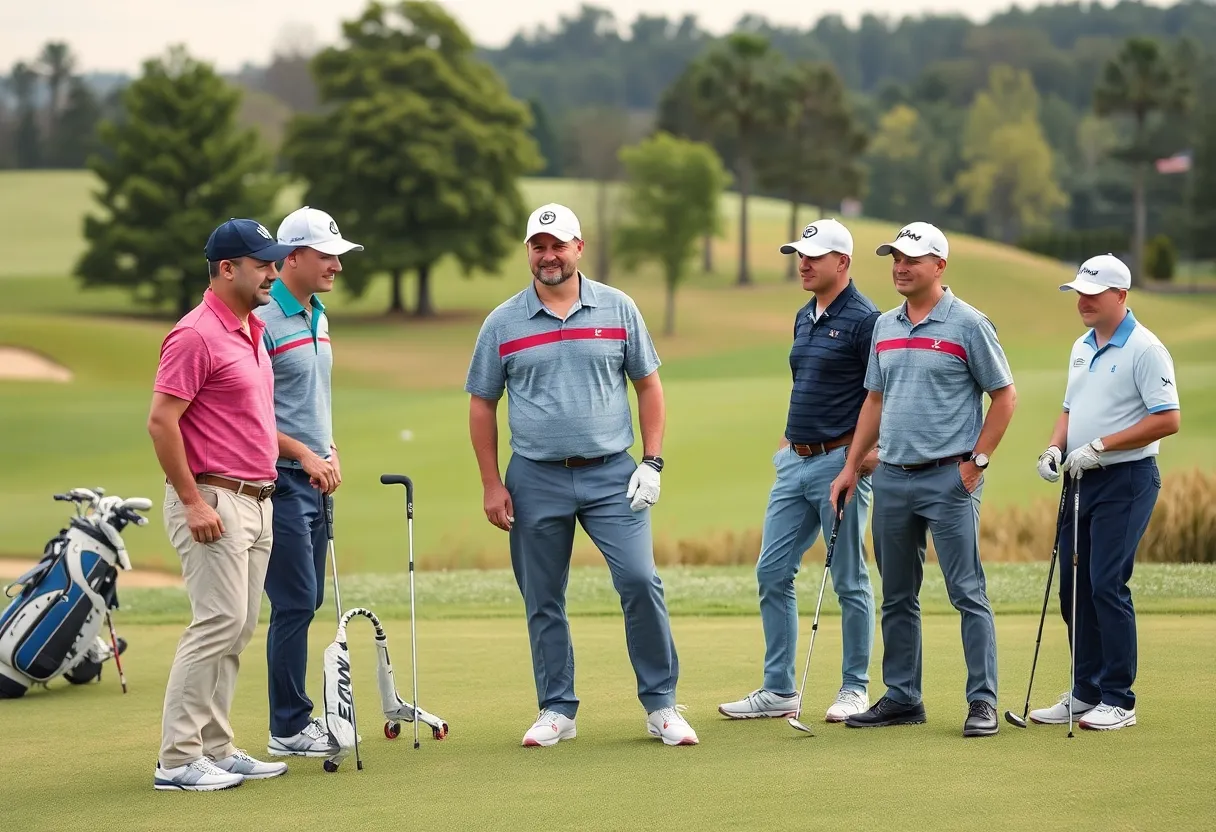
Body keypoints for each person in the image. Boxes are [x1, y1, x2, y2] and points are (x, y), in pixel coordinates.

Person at [464, 202, 697, 748]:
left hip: (613, 474)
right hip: (534, 477)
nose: (549, 255)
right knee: (543, 595)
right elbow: (482, 404)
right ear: (529, 251)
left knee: (640, 581)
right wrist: (492, 483)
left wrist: (653, 459)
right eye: (538, 246)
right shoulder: (502, 322)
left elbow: (649, 385)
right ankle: (557, 710)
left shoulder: (618, 308)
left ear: (578, 248)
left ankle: (661, 704)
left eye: (558, 245)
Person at [829, 221, 1018, 738]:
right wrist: (851, 465)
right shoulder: (885, 326)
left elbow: (1004, 397)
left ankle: (982, 702)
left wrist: (976, 463)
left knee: (966, 592)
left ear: (939, 265)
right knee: (897, 595)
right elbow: (874, 400)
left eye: (911, 259)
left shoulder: (969, 324)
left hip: (949, 479)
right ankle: (903, 697)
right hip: (891, 477)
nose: (900, 266)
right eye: (895, 258)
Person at [148, 218, 296, 790]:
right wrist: (192, 501)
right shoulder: (195, 334)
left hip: (257, 499)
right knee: (217, 623)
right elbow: (162, 422)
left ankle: (215, 746)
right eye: (263, 264)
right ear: (227, 268)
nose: (273, 272)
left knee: (238, 628)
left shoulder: (252, 329)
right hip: (213, 498)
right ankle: (178, 761)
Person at [718, 219, 881, 724]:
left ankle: (855, 687)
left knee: (849, 578)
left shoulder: (866, 320)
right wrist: (789, 443)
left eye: (814, 255)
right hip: (796, 463)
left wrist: (860, 459)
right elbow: (805, 382)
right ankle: (778, 689)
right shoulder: (803, 315)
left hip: (842, 464)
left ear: (843, 262)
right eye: (799, 254)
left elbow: (884, 395)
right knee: (771, 571)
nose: (803, 263)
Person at [1028, 254, 1179, 731]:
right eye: (1079, 294)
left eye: (1094, 294)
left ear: (1121, 296)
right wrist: (1055, 447)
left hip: (1127, 479)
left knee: (1105, 584)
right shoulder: (1081, 346)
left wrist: (1101, 445)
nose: (1084, 302)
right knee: (1073, 589)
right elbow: (1070, 408)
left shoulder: (1145, 348)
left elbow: (1166, 418)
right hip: (1079, 478)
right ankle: (1084, 690)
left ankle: (1119, 698)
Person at [255, 206, 363, 757]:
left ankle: (290, 719)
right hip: (279, 479)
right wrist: (304, 453)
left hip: (315, 476)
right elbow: (249, 417)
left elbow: (309, 402)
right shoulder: (263, 320)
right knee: (295, 600)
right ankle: (289, 726)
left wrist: (330, 449)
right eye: (327, 256)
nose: (336, 267)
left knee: (309, 597)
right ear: (291, 257)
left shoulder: (318, 315)